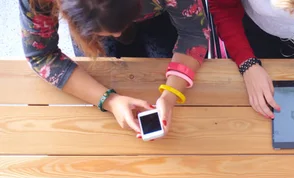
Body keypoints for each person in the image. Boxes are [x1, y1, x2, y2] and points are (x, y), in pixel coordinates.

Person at [20, 0, 210, 136]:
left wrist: (170, 94)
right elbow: (41, 55)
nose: (118, 34)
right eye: (108, 30)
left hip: (160, 15)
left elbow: (194, 33)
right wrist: (109, 100)